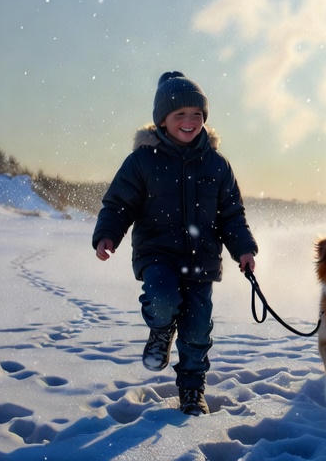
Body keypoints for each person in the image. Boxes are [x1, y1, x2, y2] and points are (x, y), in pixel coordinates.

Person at [93, 71, 258, 416]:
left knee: (198, 330)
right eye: (179, 114)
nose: (189, 121)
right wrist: (108, 234)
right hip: (158, 255)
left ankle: (192, 389)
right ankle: (160, 329)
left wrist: (243, 248)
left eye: (196, 115)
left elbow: (231, 214)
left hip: (202, 261)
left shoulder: (216, 164)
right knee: (163, 298)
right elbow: (119, 203)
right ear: (162, 120)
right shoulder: (142, 160)